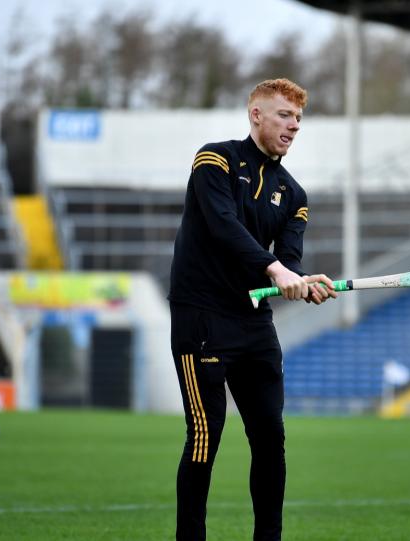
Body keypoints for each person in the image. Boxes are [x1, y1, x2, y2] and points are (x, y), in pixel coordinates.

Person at [168, 78, 338, 541]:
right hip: (201, 316)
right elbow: (223, 226)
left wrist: (299, 282)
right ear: (256, 115)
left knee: (270, 439)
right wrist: (275, 269)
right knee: (206, 436)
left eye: (299, 119)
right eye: (284, 115)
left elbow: (290, 257)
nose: (293, 126)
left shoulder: (295, 196)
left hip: (252, 323)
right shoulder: (214, 159)